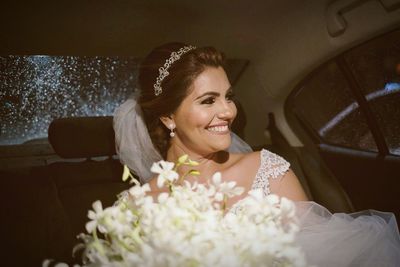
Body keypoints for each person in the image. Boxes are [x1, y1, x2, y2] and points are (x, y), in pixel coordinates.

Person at [114, 42, 400, 266]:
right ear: (168, 117)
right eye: (209, 100)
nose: (228, 111)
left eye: (229, 97)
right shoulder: (135, 208)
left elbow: (319, 259)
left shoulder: (268, 170)